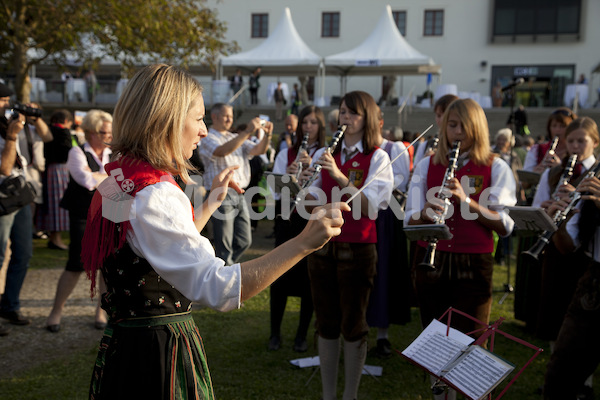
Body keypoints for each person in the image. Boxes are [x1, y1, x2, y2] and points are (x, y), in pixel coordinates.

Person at [80, 64, 347, 399]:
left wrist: (209, 204)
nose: (204, 131)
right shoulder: (154, 193)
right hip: (157, 355)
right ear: (167, 120)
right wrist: (303, 243)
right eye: (198, 118)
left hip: (128, 347)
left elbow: (147, 253)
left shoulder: (120, 180)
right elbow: (218, 289)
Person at [404, 98, 516, 399]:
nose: (456, 132)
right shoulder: (428, 164)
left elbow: (505, 225)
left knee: (471, 344)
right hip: (433, 262)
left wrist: (467, 202)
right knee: (436, 343)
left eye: (463, 126)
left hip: (473, 264)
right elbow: (408, 219)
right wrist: (425, 211)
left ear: (477, 129)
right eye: (451, 125)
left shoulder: (496, 166)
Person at [300, 90, 393, 400]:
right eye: (342, 112)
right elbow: (310, 202)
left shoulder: (378, 156)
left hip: (358, 248)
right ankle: (329, 394)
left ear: (367, 119)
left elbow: (370, 208)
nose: (346, 118)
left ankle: (350, 394)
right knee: (325, 321)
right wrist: (300, 185)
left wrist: (339, 176)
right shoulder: (325, 153)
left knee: (354, 322)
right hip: (322, 245)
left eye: (353, 113)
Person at [532, 117, 598, 399]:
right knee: (561, 370)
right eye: (570, 141)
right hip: (592, 278)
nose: (574, 146)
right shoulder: (574, 174)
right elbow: (568, 243)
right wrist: (558, 218)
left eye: (580, 141)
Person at [45, 110, 113, 333]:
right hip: (83, 214)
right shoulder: (77, 151)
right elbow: (86, 181)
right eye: (105, 132)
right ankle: (56, 311)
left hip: (110, 213)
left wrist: (101, 178)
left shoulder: (113, 154)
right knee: (76, 264)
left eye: (111, 131)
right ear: (91, 132)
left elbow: (122, 181)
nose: (110, 135)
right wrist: (109, 178)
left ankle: (101, 311)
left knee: (106, 265)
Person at [268, 105, 327, 352]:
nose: (308, 127)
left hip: (310, 221)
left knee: (308, 278)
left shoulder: (326, 153)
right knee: (278, 276)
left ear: (320, 126)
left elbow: (325, 190)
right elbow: (273, 189)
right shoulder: (286, 154)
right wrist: (290, 176)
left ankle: (301, 335)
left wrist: (310, 174)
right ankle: (274, 334)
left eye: (313, 123)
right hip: (287, 220)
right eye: (305, 122)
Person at [198, 103, 271, 265]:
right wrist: (246, 132)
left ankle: (223, 268)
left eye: (231, 116)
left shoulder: (234, 137)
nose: (230, 119)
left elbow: (258, 150)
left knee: (244, 240)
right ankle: (224, 275)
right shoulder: (208, 137)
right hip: (219, 194)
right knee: (224, 244)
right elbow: (222, 151)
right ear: (215, 117)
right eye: (226, 116)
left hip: (239, 193)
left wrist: (267, 136)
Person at [0, 84, 47, 332]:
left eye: (7, 99)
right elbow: (5, 168)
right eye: (1, 100)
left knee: (24, 253)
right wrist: (11, 136)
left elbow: (46, 136)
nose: (6, 105)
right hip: (2, 195)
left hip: (19, 192)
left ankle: (10, 305)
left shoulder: (10, 121)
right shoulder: (9, 129)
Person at [366, 108, 412, 358]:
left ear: (381, 124)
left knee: (383, 273)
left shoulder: (394, 149)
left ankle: (382, 334)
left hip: (386, 215)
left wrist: (377, 181)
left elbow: (402, 180)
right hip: (362, 213)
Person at [38, 109, 73, 250]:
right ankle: (56, 239)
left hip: (48, 169)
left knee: (51, 205)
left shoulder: (46, 130)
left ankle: (53, 238)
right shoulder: (63, 132)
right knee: (59, 204)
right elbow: (67, 151)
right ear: (66, 121)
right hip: (60, 170)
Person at [17, 103, 53, 239]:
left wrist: (36, 118)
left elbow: (48, 137)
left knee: (32, 202)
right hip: (17, 169)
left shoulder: (36, 127)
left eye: (33, 108)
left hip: (33, 171)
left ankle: (26, 232)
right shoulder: (16, 123)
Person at [413, 94, 459, 168]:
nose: (441, 120)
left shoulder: (463, 146)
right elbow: (416, 174)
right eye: (438, 115)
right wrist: (422, 165)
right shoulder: (425, 145)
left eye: (446, 115)